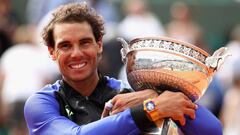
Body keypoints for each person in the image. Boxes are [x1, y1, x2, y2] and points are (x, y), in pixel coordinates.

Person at [24, 3, 222, 135]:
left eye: (85, 43)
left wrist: (151, 96)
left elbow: (212, 130)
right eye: (65, 46)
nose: (76, 53)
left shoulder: (132, 92)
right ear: (51, 51)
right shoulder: (41, 103)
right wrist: (151, 109)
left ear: (99, 45)